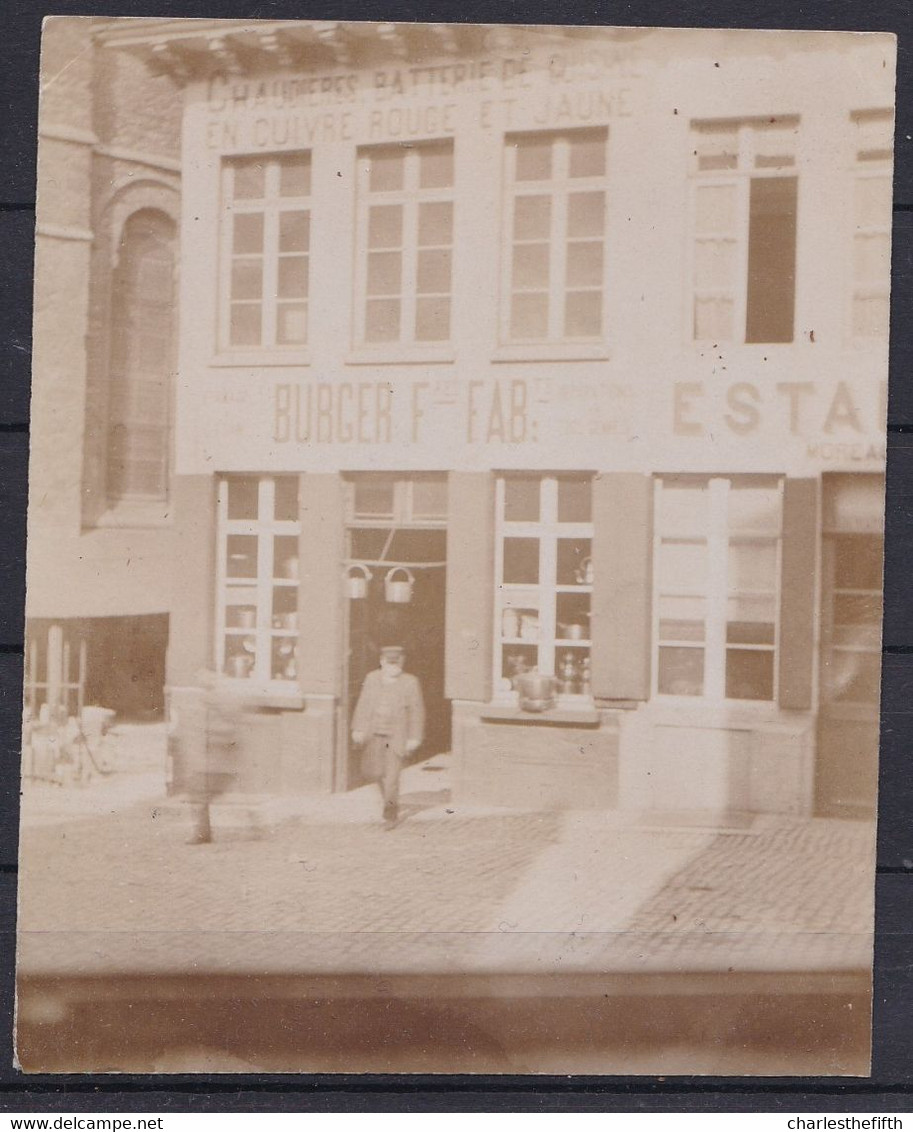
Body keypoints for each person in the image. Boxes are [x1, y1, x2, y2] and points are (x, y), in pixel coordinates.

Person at [351, 645, 424, 830]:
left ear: (402, 662)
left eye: (397, 663)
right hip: (374, 734)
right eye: (390, 663)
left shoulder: (410, 682)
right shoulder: (372, 678)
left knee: (391, 777)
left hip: (397, 737)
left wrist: (414, 737)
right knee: (374, 773)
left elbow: (417, 711)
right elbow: (363, 704)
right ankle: (389, 801)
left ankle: (390, 814)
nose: (394, 667)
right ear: (382, 662)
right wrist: (358, 729)